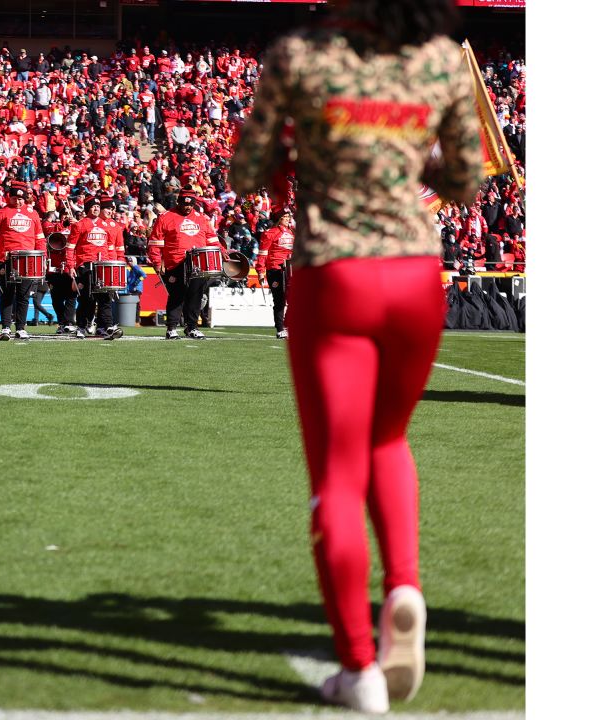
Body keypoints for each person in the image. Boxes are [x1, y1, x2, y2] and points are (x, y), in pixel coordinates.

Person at [229, 0, 483, 713]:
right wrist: (402, 157)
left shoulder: (300, 54)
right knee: (389, 439)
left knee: (337, 475)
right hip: (414, 277)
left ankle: (359, 669)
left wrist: (301, 154)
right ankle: (404, 586)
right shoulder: (440, 60)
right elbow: (465, 182)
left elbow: (246, 172)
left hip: (333, 275)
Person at [148, 190, 223, 340]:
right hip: (175, 263)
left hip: (199, 263)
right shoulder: (166, 217)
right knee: (177, 295)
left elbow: (212, 239)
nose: (187, 207)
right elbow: (154, 243)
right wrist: (157, 262)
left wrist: (222, 250)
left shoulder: (201, 218)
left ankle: (192, 327)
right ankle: (172, 328)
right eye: (184, 204)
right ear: (179, 202)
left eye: (190, 204)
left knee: (195, 296)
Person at [0, 180, 47, 340]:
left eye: (21, 198)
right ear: (9, 197)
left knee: (24, 295)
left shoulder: (33, 213)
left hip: (28, 261)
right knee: (7, 294)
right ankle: (6, 327)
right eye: (15, 198)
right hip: (7, 260)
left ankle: (20, 327)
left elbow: (40, 239)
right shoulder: (1, 213)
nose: (18, 201)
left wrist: (43, 258)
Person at [64, 195, 123, 340]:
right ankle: (81, 326)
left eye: (98, 206)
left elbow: (109, 248)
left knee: (105, 297)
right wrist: (71, 266)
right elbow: (70, 247)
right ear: (87, 208)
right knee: (86, 298)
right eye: (93, 206)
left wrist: (112, 265)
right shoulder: (80, 225)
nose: (96, 208)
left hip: (102, 266)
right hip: (86, 266)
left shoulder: (106, 226)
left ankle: (108, 326)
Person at [256, 208, 296, 339]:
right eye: (285, 217)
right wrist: (260, 271)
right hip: (275, 269)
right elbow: (262, 253)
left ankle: (289, 324)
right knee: (279, 300)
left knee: (294, 299)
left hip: (290, 268)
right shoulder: (269, 233)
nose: (288, 219)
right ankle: (280, 328)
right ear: (279, 219)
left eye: (288, 216)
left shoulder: (291, 232)